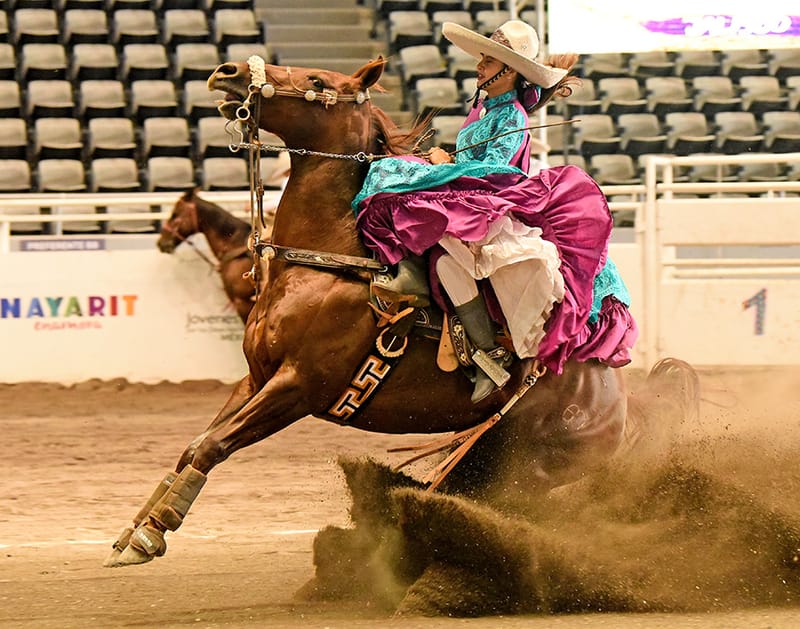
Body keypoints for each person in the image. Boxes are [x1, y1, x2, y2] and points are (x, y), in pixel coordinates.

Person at [354, 20, 637, 403]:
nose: (479, 66)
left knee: (400, 180)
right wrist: (445, 165)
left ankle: (482, 350)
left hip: (494, 197)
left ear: (509, 71)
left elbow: (497, 170)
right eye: (483, 59)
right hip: (472, 193)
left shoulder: (513, 117)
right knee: (444, 265)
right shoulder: (485, 111)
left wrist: (441, 168)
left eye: (488, 61)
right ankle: (481, 349)